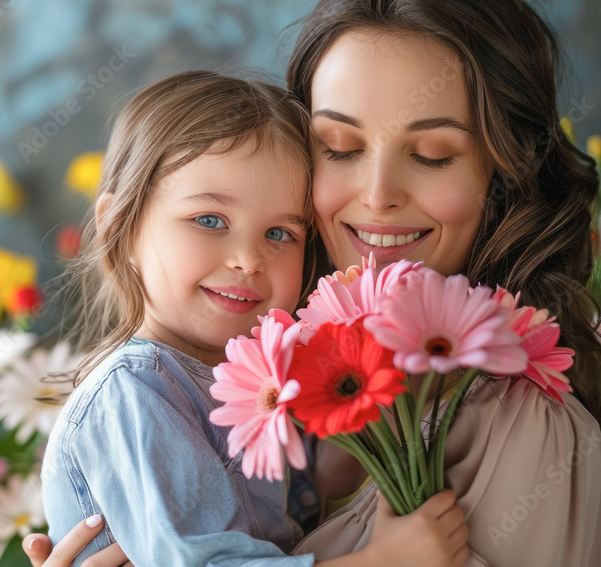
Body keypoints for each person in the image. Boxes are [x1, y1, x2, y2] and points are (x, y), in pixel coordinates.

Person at [25, 0, 601, 565]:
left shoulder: (526, 431)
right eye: (340, 148)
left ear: (505, 177)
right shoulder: (255, 385)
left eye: (431, 154)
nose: (376, 194)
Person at [37, 70, 470, 567]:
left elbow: (287, 513)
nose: (248, 258)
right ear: (122, 227)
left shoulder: (253, 377)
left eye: (281, 233)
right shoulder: (134, 393)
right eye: (209, 221)